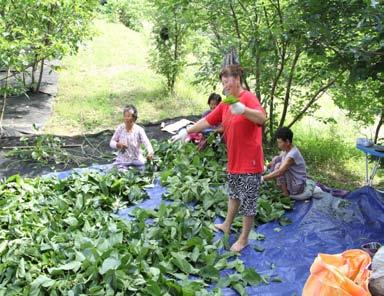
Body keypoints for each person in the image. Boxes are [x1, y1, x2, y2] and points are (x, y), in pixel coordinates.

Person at [172, 64, 267, 252]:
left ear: (237, 79)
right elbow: (208, 120)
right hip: (234, 159)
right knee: (233, 195)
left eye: (227, 82)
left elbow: (262, 118)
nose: (224, 87)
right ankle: (226, 225)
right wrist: (186, 131)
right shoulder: (226, 103)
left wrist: (244, 110)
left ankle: (244, 239)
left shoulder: (247, 98)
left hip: (250, 160)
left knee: (248, 202)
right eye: (222, 83)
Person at [262, 127, 307, 196]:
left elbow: (279, 172)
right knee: (276, 158)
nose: (278, 145)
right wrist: (265, 168)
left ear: (287, 142)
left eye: (280, 142)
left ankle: (285, 193)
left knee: (279, 167)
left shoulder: (292, 155)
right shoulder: (286, 150)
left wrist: (262, 179)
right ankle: (282, 187)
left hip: (298, 185)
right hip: (293, 180)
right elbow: (276, 160)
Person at [110, 105, 154, 170]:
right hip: (123, 161)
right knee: (121, 173)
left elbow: (147, 143)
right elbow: (111, 142)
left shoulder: (139, 130)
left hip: (137, 160)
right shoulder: (120, 128)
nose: (126, 118)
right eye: (125, 116)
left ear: (134, 118)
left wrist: (150, 153)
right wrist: (118, 145)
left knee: (146, 171)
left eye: (128, 116)